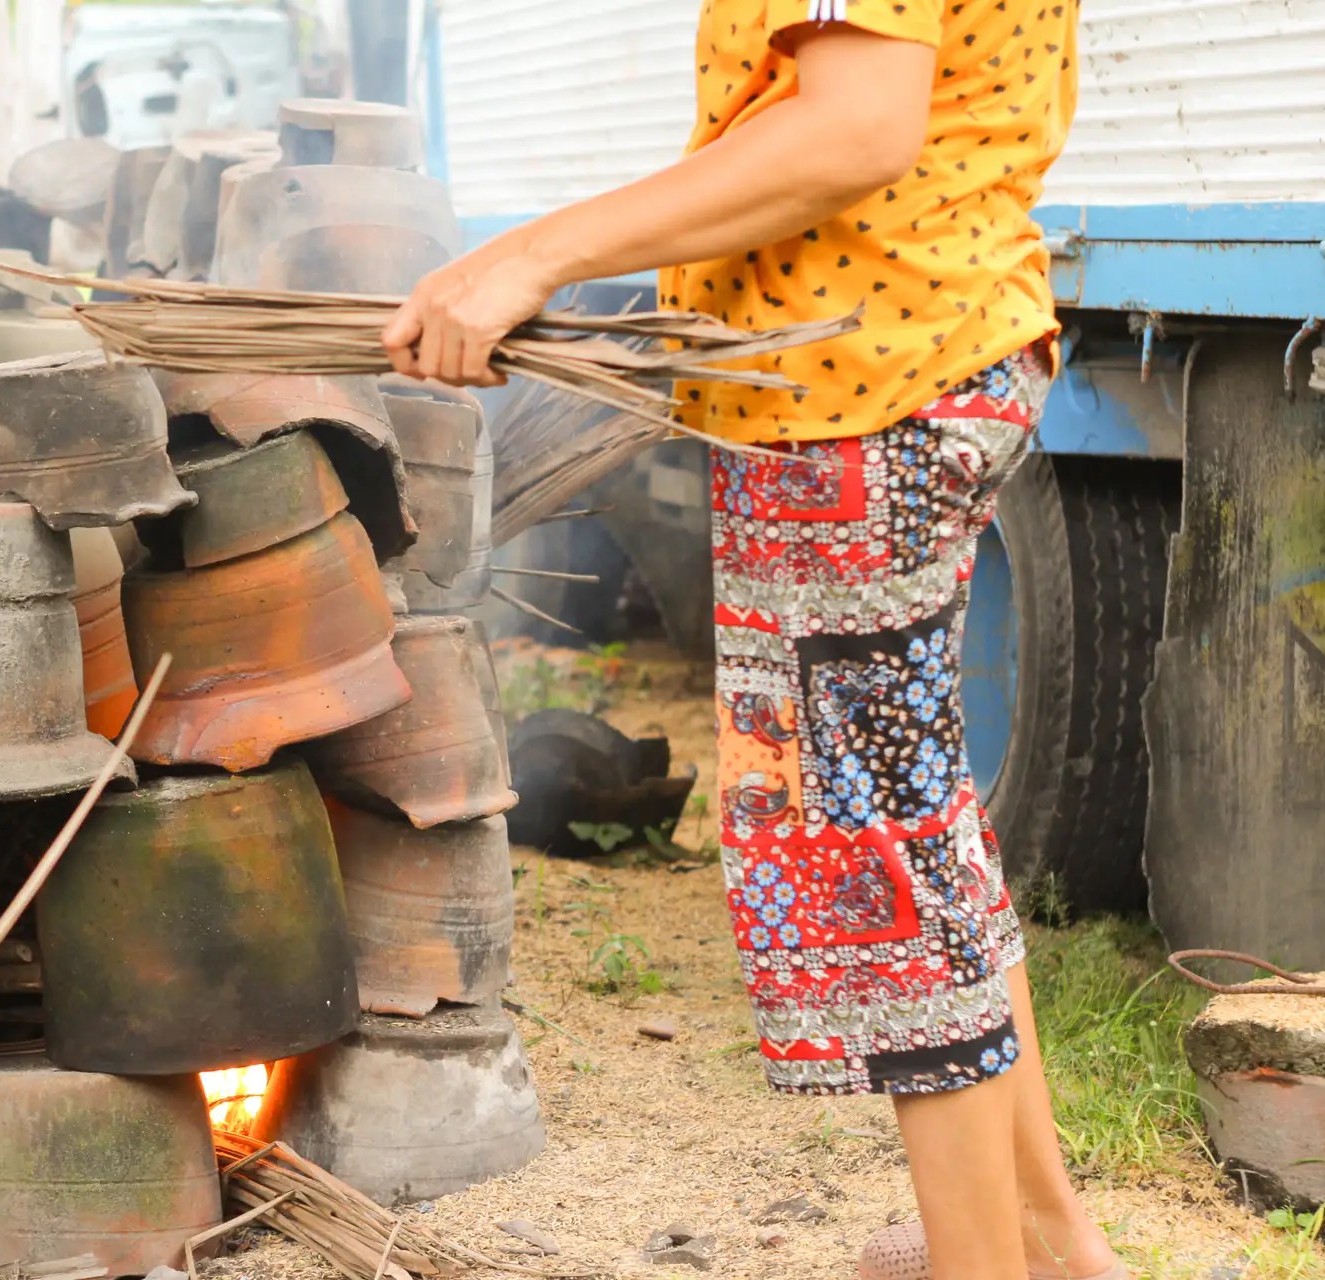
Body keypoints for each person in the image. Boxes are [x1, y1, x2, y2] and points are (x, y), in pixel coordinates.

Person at [382, 3, 1122, 1278]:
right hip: (902, 363)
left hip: (863, 392)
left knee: (880, 861)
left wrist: (533, 255)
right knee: (918, 832)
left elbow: (853, 129)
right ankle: (1046, 1239)